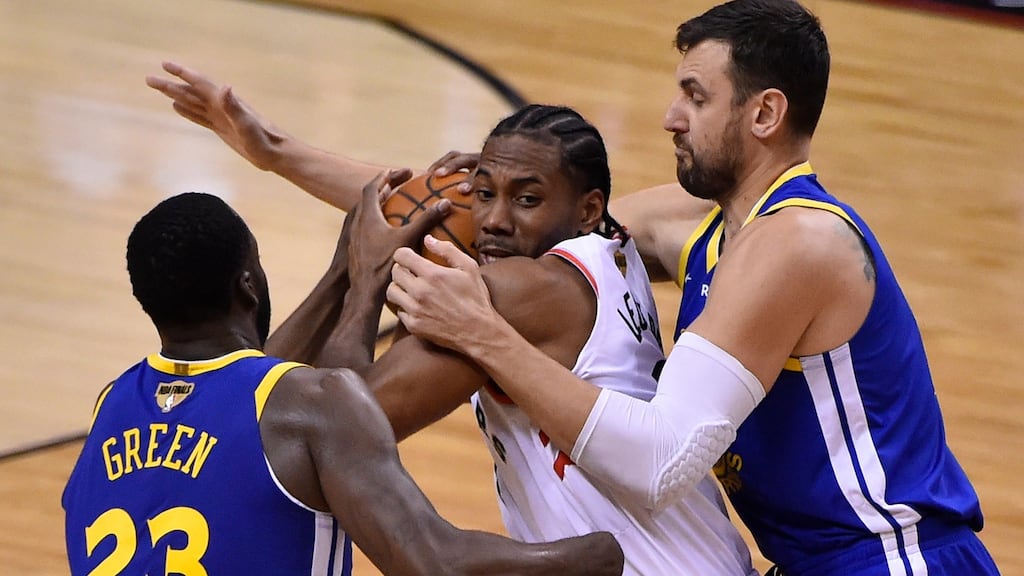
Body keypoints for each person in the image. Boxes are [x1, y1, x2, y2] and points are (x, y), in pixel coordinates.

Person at [385, 1, 1002, 575]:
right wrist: (292, 157)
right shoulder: (703, 223)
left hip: (892, 558)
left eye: (695, 97)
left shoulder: (797, 243)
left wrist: (482, 334)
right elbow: (488, 219)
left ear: (764, 113)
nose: (670, 118)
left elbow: (661, 462)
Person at [147, 65, 758, 575]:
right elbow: (416, 207)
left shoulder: (515, 292)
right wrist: (274, 152)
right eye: (483, 192)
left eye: (525, 198)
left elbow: (332, 424)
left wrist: (359, 283)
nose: (491, 221)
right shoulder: (614, 248)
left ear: (586, 208)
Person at [61, 189, 625, 575]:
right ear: (250, 284)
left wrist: (348, 277)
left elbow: (243, 390)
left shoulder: (111, 406)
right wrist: (594, 553)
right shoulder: (313, 406)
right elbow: (436, 561)